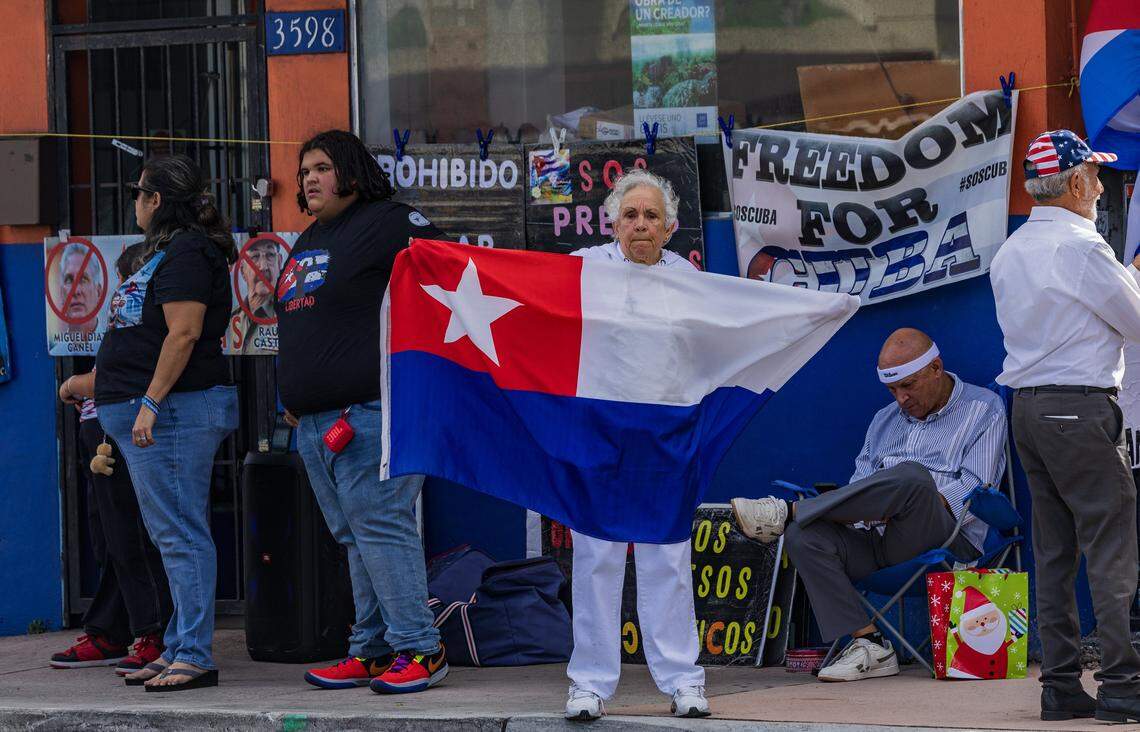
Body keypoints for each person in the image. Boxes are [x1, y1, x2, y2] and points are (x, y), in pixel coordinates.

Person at [275, 129, 449, 694]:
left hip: (372, 414)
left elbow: (450, 273)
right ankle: (371, 650)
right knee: (356, 537)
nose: (309, 180)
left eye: (322, 168)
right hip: (316, 424)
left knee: (382, 529)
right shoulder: (308, 239)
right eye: (304, 172)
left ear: (350, 172)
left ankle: (422, 649)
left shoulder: (389, 221)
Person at [731, 328, 1006, 682]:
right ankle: (870, 644)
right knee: (803, 537)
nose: (901, 398)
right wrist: (870, 508)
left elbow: (973, 490)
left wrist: (903, 498)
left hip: (944, 538)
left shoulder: (984, 408)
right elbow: (860, 485)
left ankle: (787, 511)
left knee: (912, 478)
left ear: (936, 368)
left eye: (909, 386)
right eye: (893, 390)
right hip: (878, 540)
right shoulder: (883, 420)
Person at [63, 154, 239, 692]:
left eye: (139, 193)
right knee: (170, 534)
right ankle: (179, 644)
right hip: (153, 413)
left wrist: (151, 403)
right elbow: (138, 342)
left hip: (177, 414)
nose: (135, 202)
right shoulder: (164, 254)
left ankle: (194, 654)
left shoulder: (187, 252)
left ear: (156, 200)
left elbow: (182, 334)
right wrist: (99, 386)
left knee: (181, 533)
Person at [990, 130, 1140, 723]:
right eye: (1096, 178)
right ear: (1075, 183)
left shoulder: (1011, 251)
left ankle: (1060, 687)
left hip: (1028, 408)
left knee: (1054, 550)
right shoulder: (1081, 249)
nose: (1102, 189)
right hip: (1078, 410)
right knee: (1111, 546)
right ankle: (1124, 686)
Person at [563, 169, 709, 721]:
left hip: (665, 439)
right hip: (598, 435)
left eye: (651, 216)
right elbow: (516, 285)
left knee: (667, 559)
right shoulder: (582, 268)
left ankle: (683, 681)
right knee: (595, 556)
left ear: (670, 228)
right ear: (613, 224)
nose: (641, 224)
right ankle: (590, 684)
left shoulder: (690, 280)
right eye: (631, 215)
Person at [51, 243, 172, 676]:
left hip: (123, 431)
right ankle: (110, 627)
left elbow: (114, 375)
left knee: (133, 538)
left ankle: (152, 631)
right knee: (109, 538)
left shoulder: (145, 322)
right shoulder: (121, 319)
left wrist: (71, 387)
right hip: (99, 433)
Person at [228, 235, 282, 353]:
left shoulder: (289, 316)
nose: (263, 267)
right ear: (242, 270)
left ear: (279, 262)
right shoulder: (231, 319)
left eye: (270, 255)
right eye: (255, 257)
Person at [57, 241, 105, 339]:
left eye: (83, 279)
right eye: (69, 280)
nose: (76, 291)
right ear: (62, 294)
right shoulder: (55, 351)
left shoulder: (112, 347)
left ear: (99, 292)